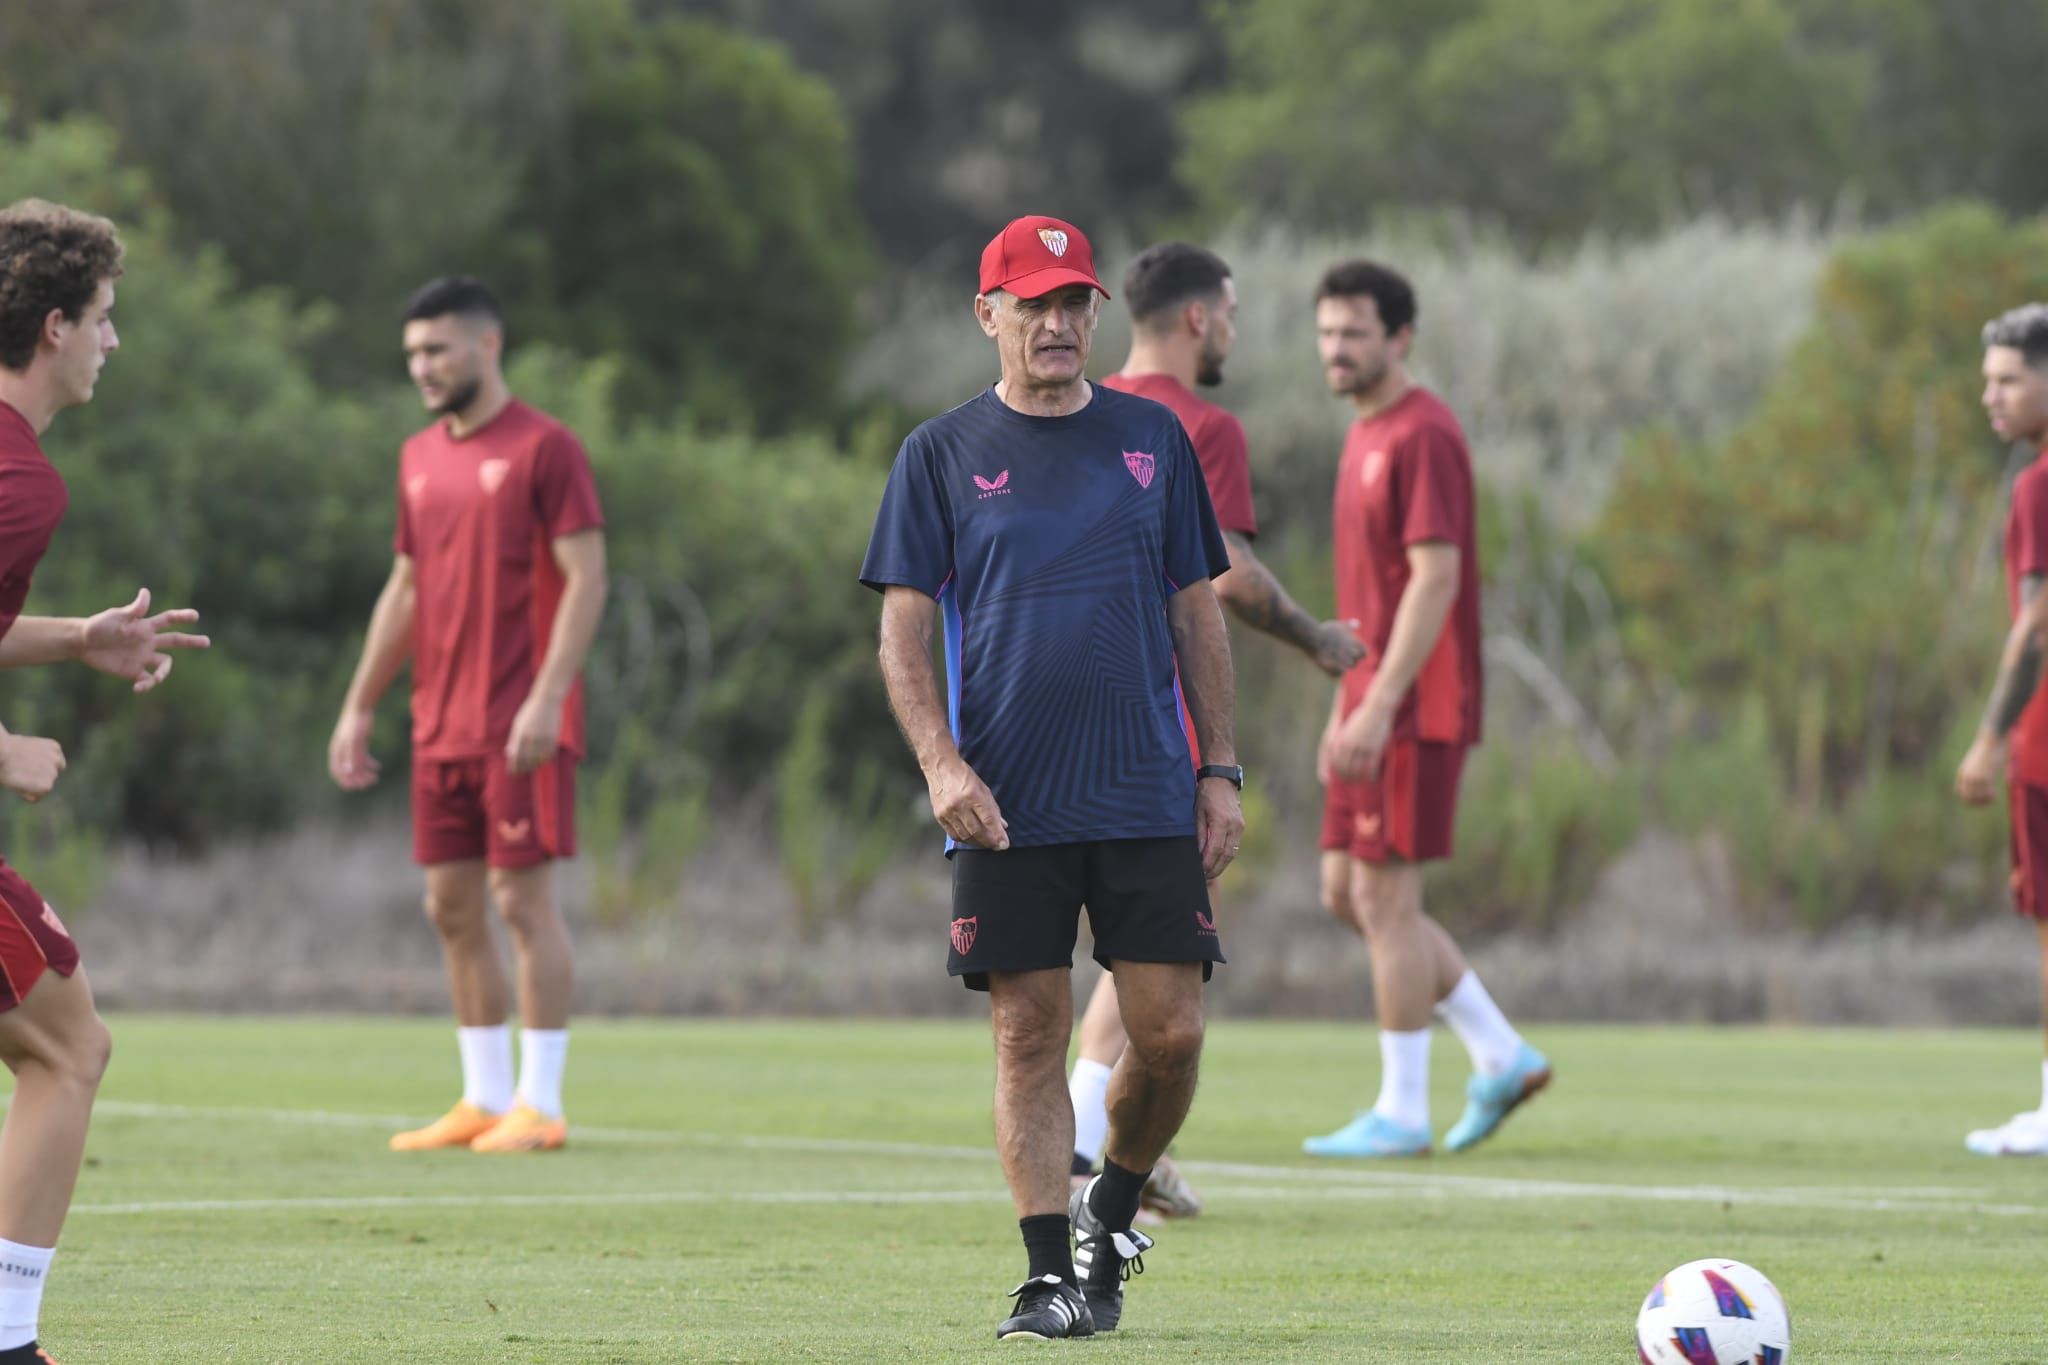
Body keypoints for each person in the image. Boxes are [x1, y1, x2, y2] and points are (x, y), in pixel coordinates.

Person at [861, 215, 1242, 1341]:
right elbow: (903, 629)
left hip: (1142, 789)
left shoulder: (1151, 441)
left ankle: (1112, 1210)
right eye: (1033, 303)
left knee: (1168, 1034)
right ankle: (1043, 1275)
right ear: (987, 315)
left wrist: (1218, 766)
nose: (1058, 322)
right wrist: (938, 763)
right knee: (1028, 1033)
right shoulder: (937, 453)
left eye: (1074, 302)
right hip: (1004, 801)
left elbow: (1194, 610)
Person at [1066, 242, 1367, 1216]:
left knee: (1124, 951)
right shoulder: (1196, 426)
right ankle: (1092, 1146)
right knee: (1162, 947)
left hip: (1067, 719)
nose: (1233, 329)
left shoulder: (1075, 407)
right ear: (1196, 319)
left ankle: (1096, 1141)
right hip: (1160, 723)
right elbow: (1227, 573)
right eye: (1229, 313)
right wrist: (1316, 637)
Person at [0, 199, 211, 1362]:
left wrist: (73, 635)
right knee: (67, 1047)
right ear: (50, 329)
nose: (111, 343)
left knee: (60, 1033)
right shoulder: (21, 481)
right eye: (103, 319)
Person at [329, 277, 607, 1155]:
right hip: (438, 723)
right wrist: (358, 704)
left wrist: (546, 694)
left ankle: (543, 1102)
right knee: (449, 906)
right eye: (413, 352)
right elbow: (404, 590)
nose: (423, 366)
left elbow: (588, 580)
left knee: (520, 902)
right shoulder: (417, 457)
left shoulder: (546, 448)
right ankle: (484, 1097)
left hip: (518, 723)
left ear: (487, 346)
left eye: (437, 349)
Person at [1300, 259, 1550, 1160]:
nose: (1336, 348)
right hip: (1370, 697)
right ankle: (1500, 1050)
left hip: (1417, 701)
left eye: (1354, 332)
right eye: (1327, 331)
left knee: (1384, 895)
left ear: (1399, 338)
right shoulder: (1362, 433)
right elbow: (1372, 592)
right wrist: (1345, 702)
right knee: (1344, 891)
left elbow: (1435, 579)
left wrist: (1381, 705)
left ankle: (1403, 1108)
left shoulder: (1424, 432)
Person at [1956, 302, 2048, 1157]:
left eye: (2009, 379)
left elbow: (2038, 624)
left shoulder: (2039, 484)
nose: (1991, 397)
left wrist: (1991, 734)